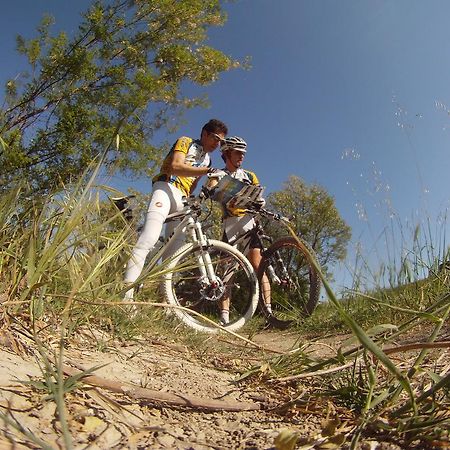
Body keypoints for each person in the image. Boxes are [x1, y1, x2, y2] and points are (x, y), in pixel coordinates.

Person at [124, 119, 228, 300]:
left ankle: (164, 303)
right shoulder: (186, 141)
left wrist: (210, 185)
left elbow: (194, 185)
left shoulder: (208, 158)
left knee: (173, 257)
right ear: (204, 133)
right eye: (215, 138)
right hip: (166, 187)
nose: (217, 144)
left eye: (221, 142)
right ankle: (126, 295)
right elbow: (176, 166)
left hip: (182, 198)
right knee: (149, 238)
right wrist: (207, 171)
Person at [205, 136, 271, 324]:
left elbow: (258, 193)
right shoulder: (219, 172)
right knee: (227, 271)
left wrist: (260, 201)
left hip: (249, 222)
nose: (241, 156)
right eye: (238, 153)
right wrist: (211, 187)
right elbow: (211, 187)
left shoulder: (249, 175)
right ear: (227, 154)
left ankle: (269, 313)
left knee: (259, 267)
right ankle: (224, 317)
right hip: (230, 224)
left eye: (243, 153)